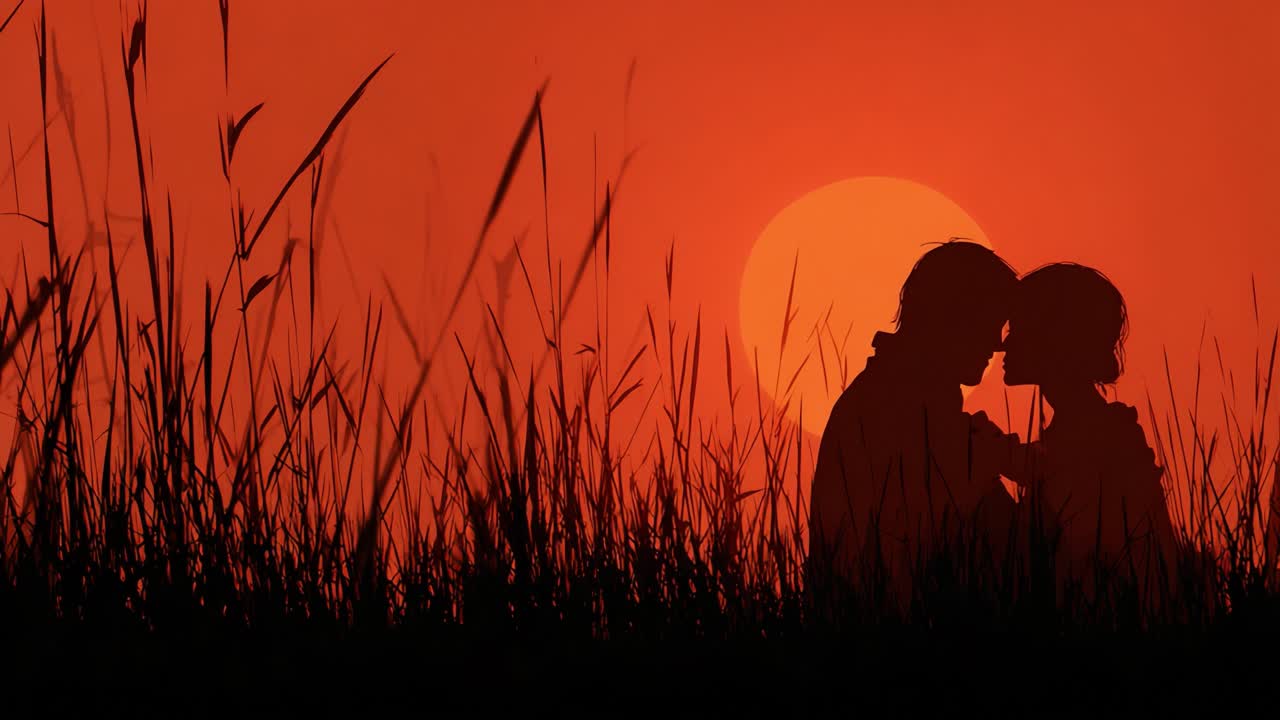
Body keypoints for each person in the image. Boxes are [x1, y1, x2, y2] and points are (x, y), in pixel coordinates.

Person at [807, 240, 1022, 617]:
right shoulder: (895, 403)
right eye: (989, 323)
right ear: (950, 318)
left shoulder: (906, 395)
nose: (996, 344)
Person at [1001, 263, 1178, 612]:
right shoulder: (1091, 430)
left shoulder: (1101, 438)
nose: (1004, 342)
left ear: (1055, 339)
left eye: (1018, 328)